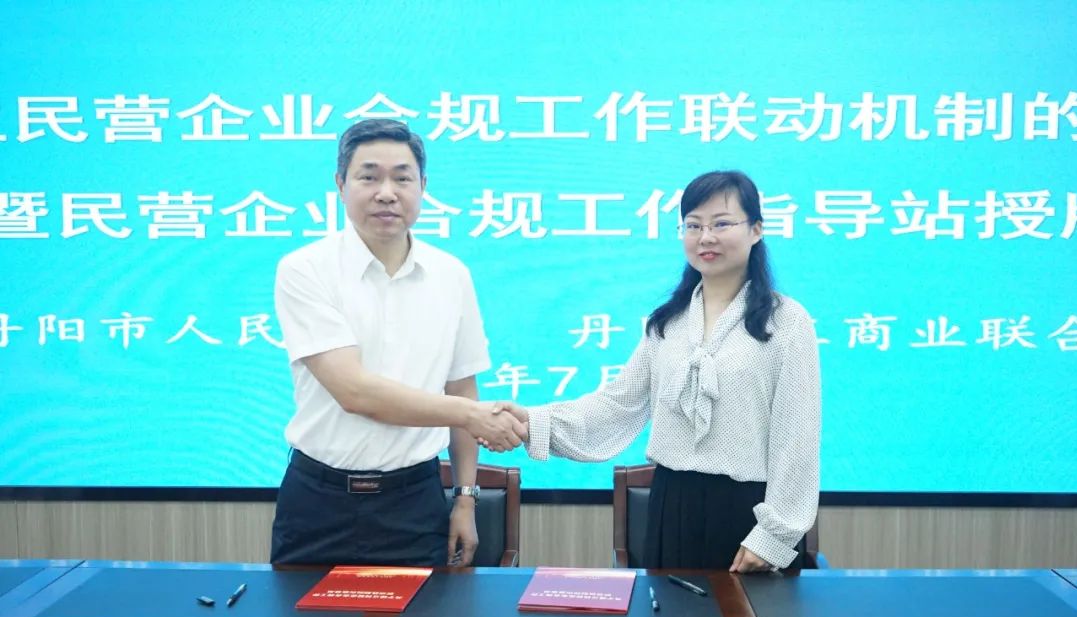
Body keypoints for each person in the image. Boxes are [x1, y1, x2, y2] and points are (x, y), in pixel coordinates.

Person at [490, 170, 820, 572]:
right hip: (672, 505)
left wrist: (773, 537)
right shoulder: (667, 323)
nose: (706, 237)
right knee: (671, 614)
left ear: (756, 229)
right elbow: (617, 406)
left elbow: (797, 437)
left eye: (721, 224)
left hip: (750, 512)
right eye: (693, 225)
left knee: (748, 616)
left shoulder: (786, 322)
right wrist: (532, 422)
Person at [271, 119, 526, 568]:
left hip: (415, 501)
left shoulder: (451, 275)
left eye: (402, 178)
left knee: (424, 616)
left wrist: (465, 499)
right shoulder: (305, 270)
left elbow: (462, 388)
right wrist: (472, 415)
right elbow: (355, 393)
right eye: (369, 177)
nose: (386, 193)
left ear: (423, 186)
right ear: (340, 184)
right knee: (304, 616)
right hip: (318, 500)